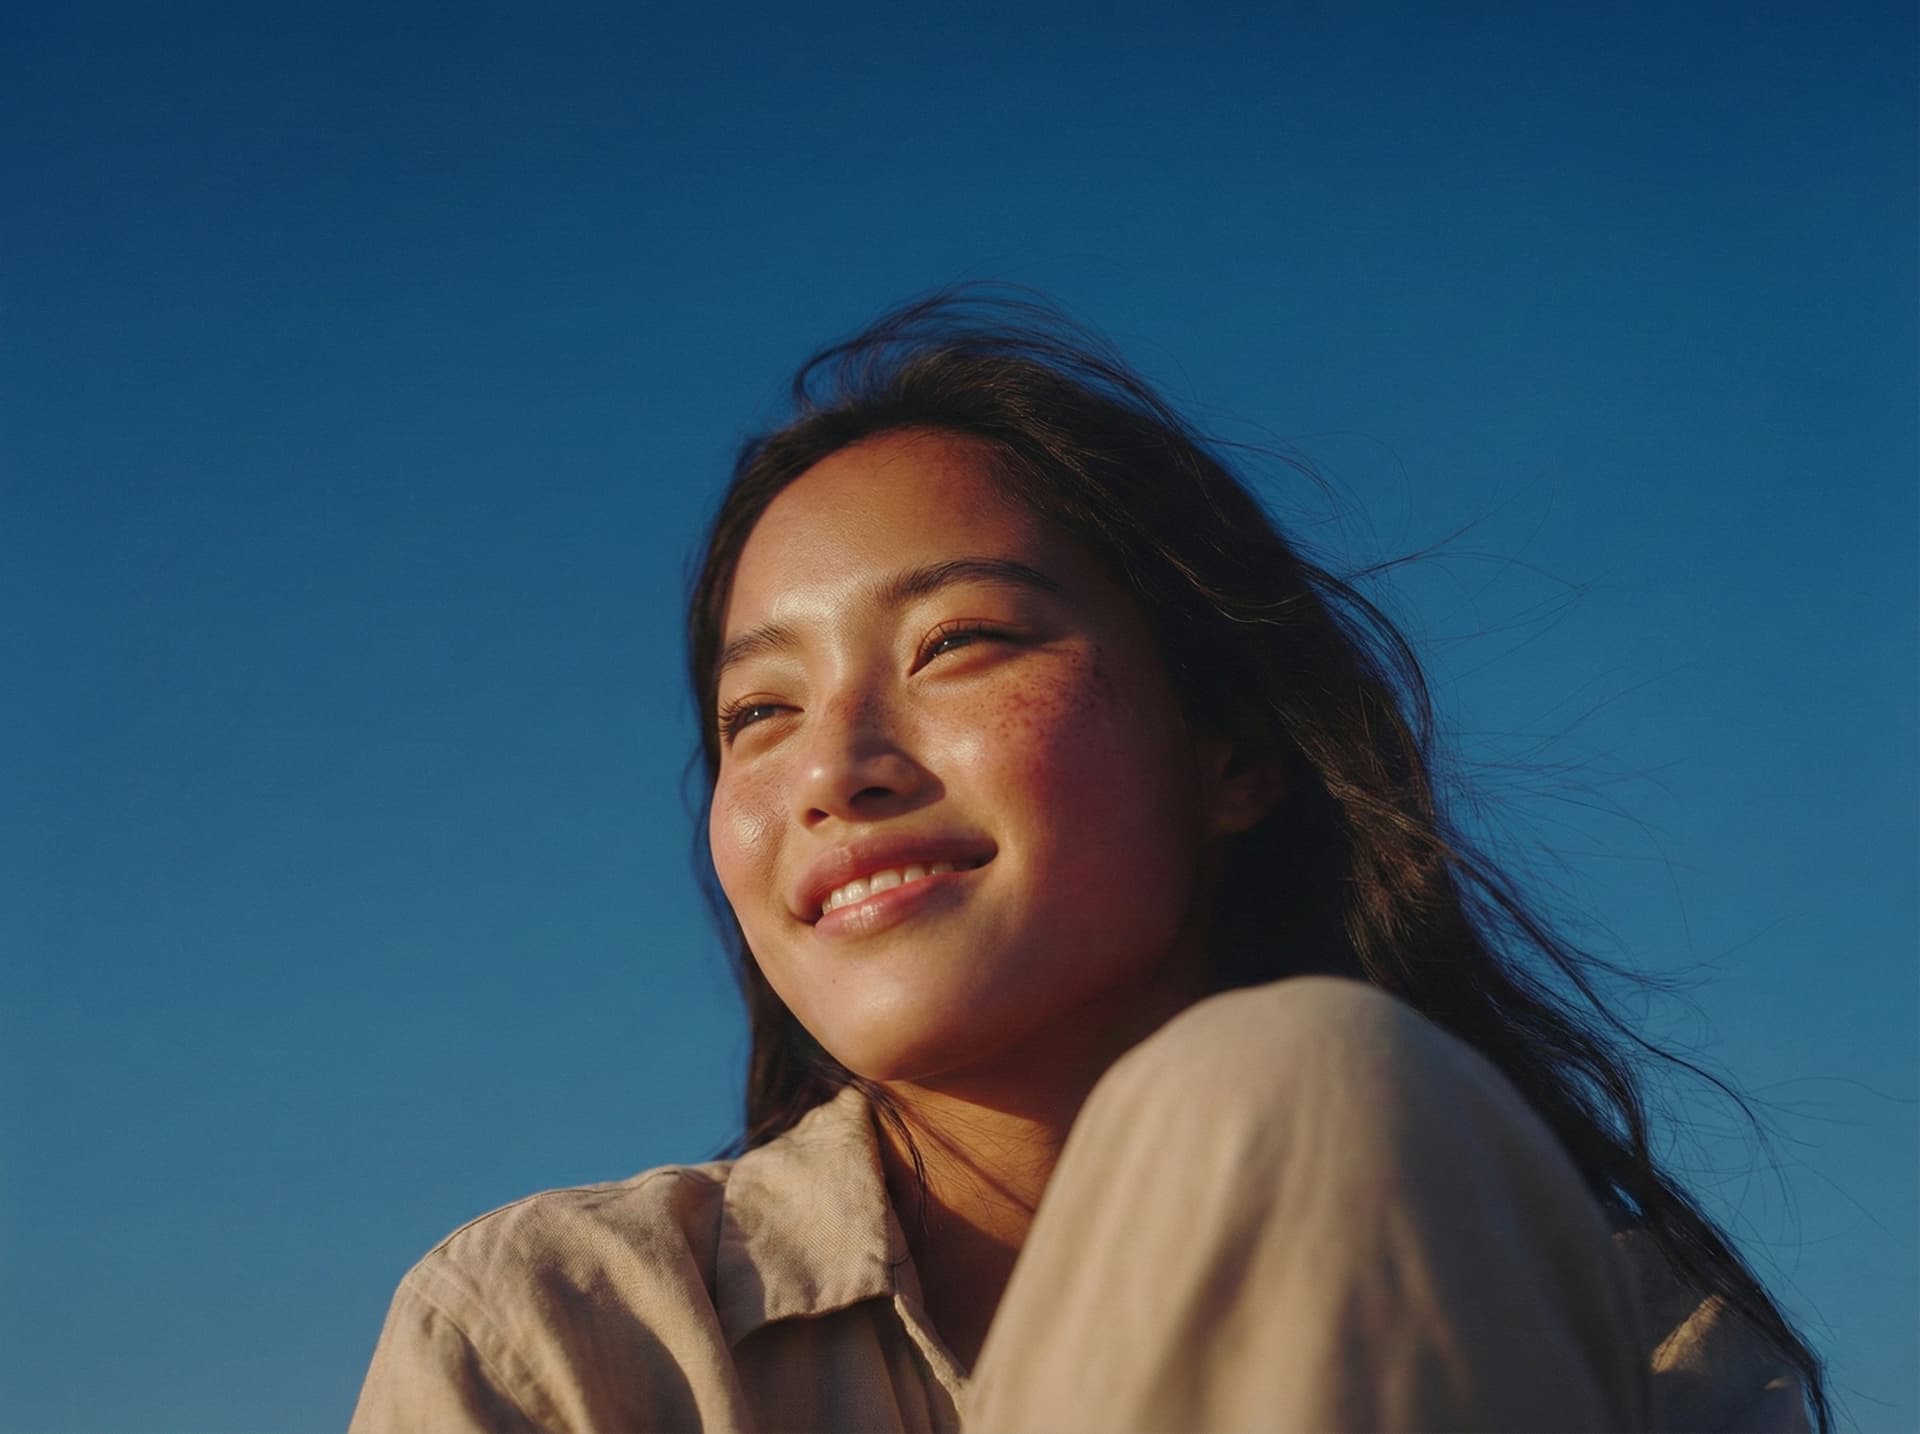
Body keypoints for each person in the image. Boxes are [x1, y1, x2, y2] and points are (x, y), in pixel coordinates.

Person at [350, 291, 1826, 1432]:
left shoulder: (1647, 1349)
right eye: (758, 712)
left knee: (1302, 1077)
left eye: (960, 642)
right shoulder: (563, 1333)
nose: (834, 767)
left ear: (1232, 752)